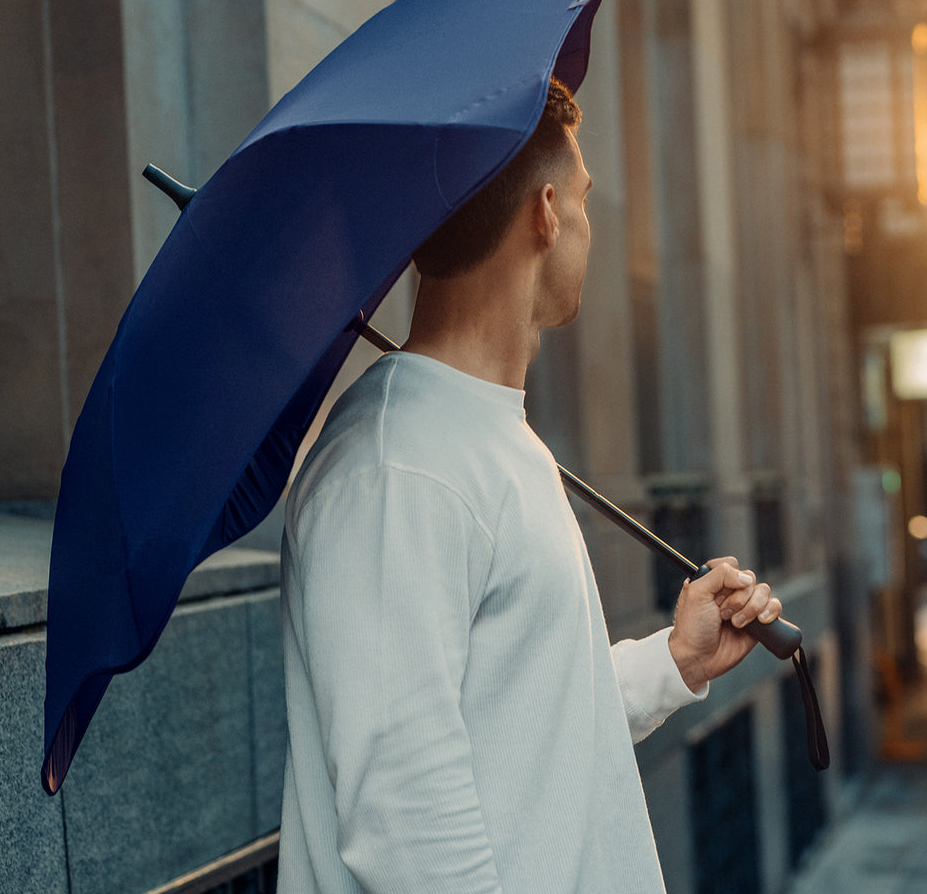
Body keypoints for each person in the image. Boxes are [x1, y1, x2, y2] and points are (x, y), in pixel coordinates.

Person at [277, 78, 782, 893]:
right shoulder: (396, 471)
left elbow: (527, 718)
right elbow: (406, 824)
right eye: (584, 198)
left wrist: (672, 662)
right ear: (546, 213)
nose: (588, 223)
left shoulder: (488, 434)